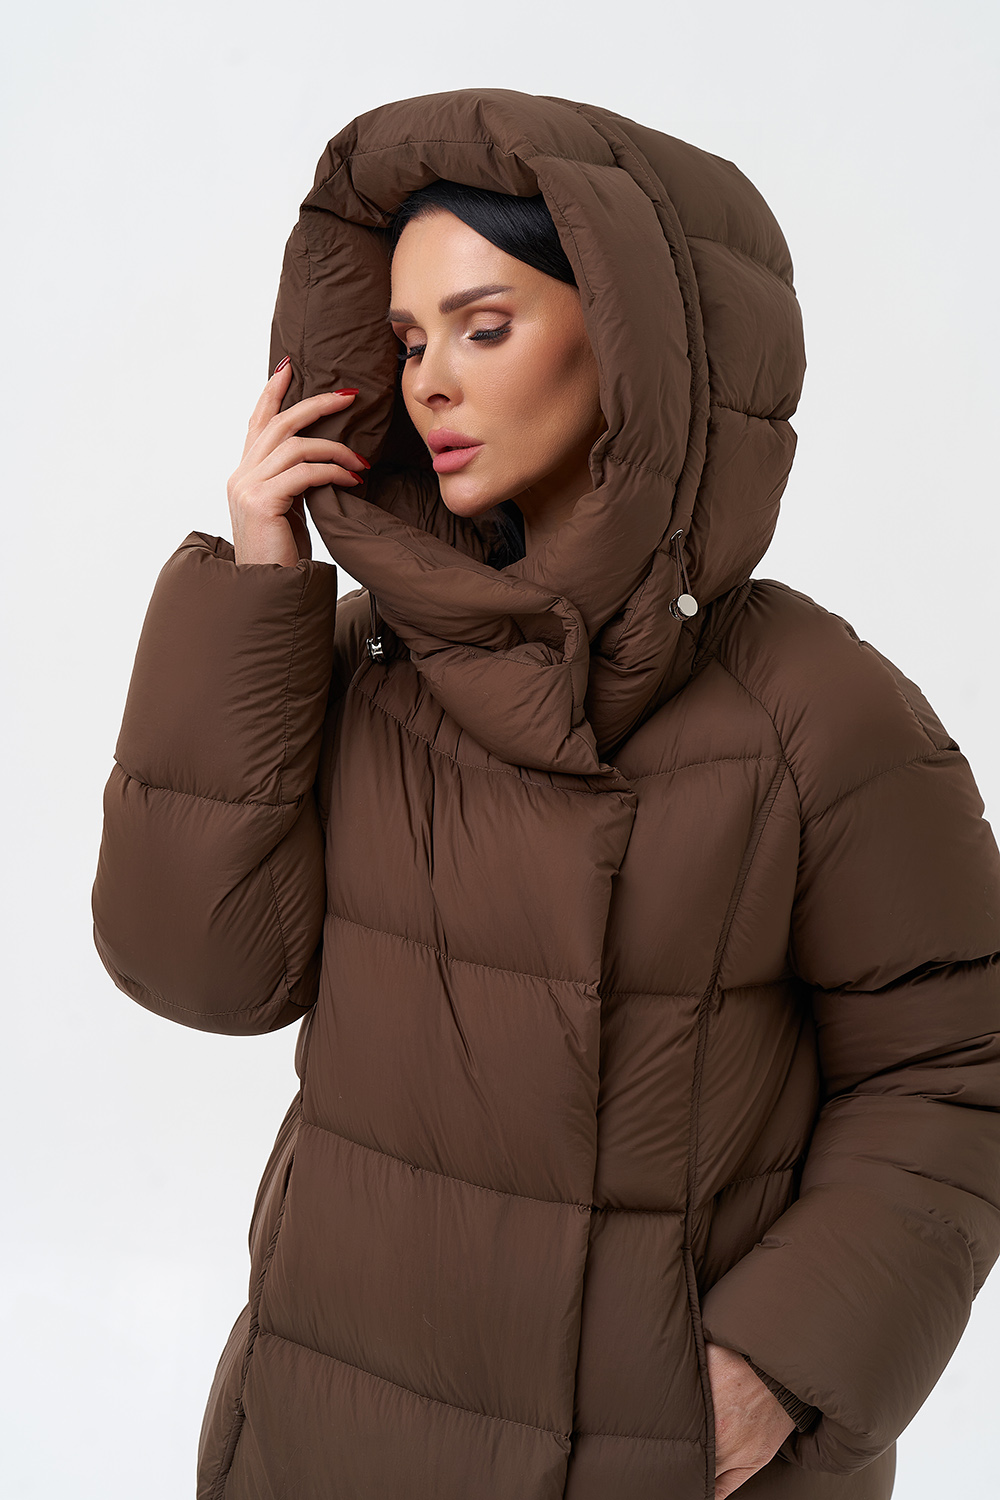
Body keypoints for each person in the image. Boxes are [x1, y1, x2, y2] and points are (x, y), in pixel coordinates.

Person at [91, 88, 1000, 1500]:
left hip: (659, 1458)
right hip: (324, 1425)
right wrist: (260, 590)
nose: (428, 383)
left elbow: (957, 1064)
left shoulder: (816, 710)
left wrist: (785, 1364)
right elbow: (198, 974)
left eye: (484, 325)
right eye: (406, 342)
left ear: (638, 343)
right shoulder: (359, 668)